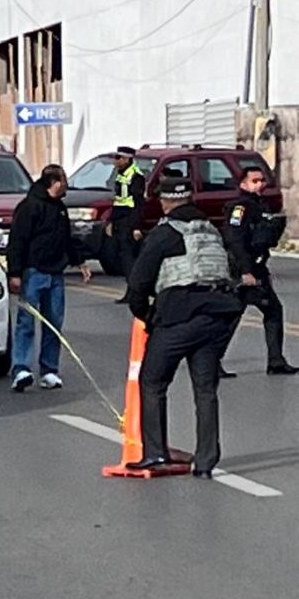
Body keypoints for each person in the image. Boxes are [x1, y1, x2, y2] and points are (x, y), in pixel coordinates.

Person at [124, 176, 243, 478]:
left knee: (152, 382)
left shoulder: (164, 234)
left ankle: (155, 454)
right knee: (205, 389)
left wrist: (146, 315)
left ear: (164, 201)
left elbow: (138, 282)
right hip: (217, 316)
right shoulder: (211, 230)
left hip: (178, 316)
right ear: (189, 198)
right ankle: (206, 460)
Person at [6, 164, 92, 392]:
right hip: (33, 273)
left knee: (53, 324)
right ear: (54, 182)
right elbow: (17, 241)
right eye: (63, 181)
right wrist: (15, 273)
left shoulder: (60, 209)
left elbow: (66, 238)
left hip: (56, 274)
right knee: (26, 322)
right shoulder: (29, 207)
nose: (66, 186)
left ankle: (49, 370)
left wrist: (79, 260)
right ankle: (21, 369)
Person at [221, 165, 297, 375]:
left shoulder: (258, 205)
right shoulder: (240, 207)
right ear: (243, 183)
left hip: (257, 266)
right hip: (243, 269)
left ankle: (276, 361)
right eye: (255, 181)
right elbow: (235, 240)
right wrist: (246, 271)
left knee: (269, 311)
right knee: (235, 314)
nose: (260, 184)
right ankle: (213, 361)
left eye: (262, 180)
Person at [106, 146, 146, 302]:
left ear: (127, 159)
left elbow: (138, 204)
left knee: (129, 259)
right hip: (120, 218)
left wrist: (136, 227)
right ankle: (130, 291)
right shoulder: (120, 174)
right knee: (123, 258)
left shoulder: (136, 176)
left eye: (118, 158)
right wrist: (111, 221)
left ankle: (134, 293)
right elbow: (118, 200)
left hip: (129, 220)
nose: (115, 161)